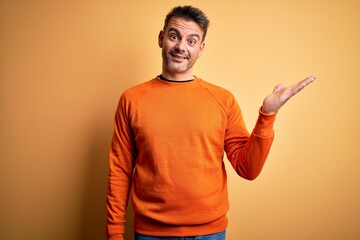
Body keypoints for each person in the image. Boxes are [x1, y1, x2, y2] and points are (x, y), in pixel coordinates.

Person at [106, 5, 315, 240]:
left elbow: (248, 169)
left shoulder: (222, 99)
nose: (181, 47)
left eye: (191, 41)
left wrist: (267, 115)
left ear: (201, 49)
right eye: (174, 36)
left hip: (210, 233)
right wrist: (114, 233)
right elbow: (120, 170)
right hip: (150, 233)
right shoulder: (132, 99)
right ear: (161, 38)